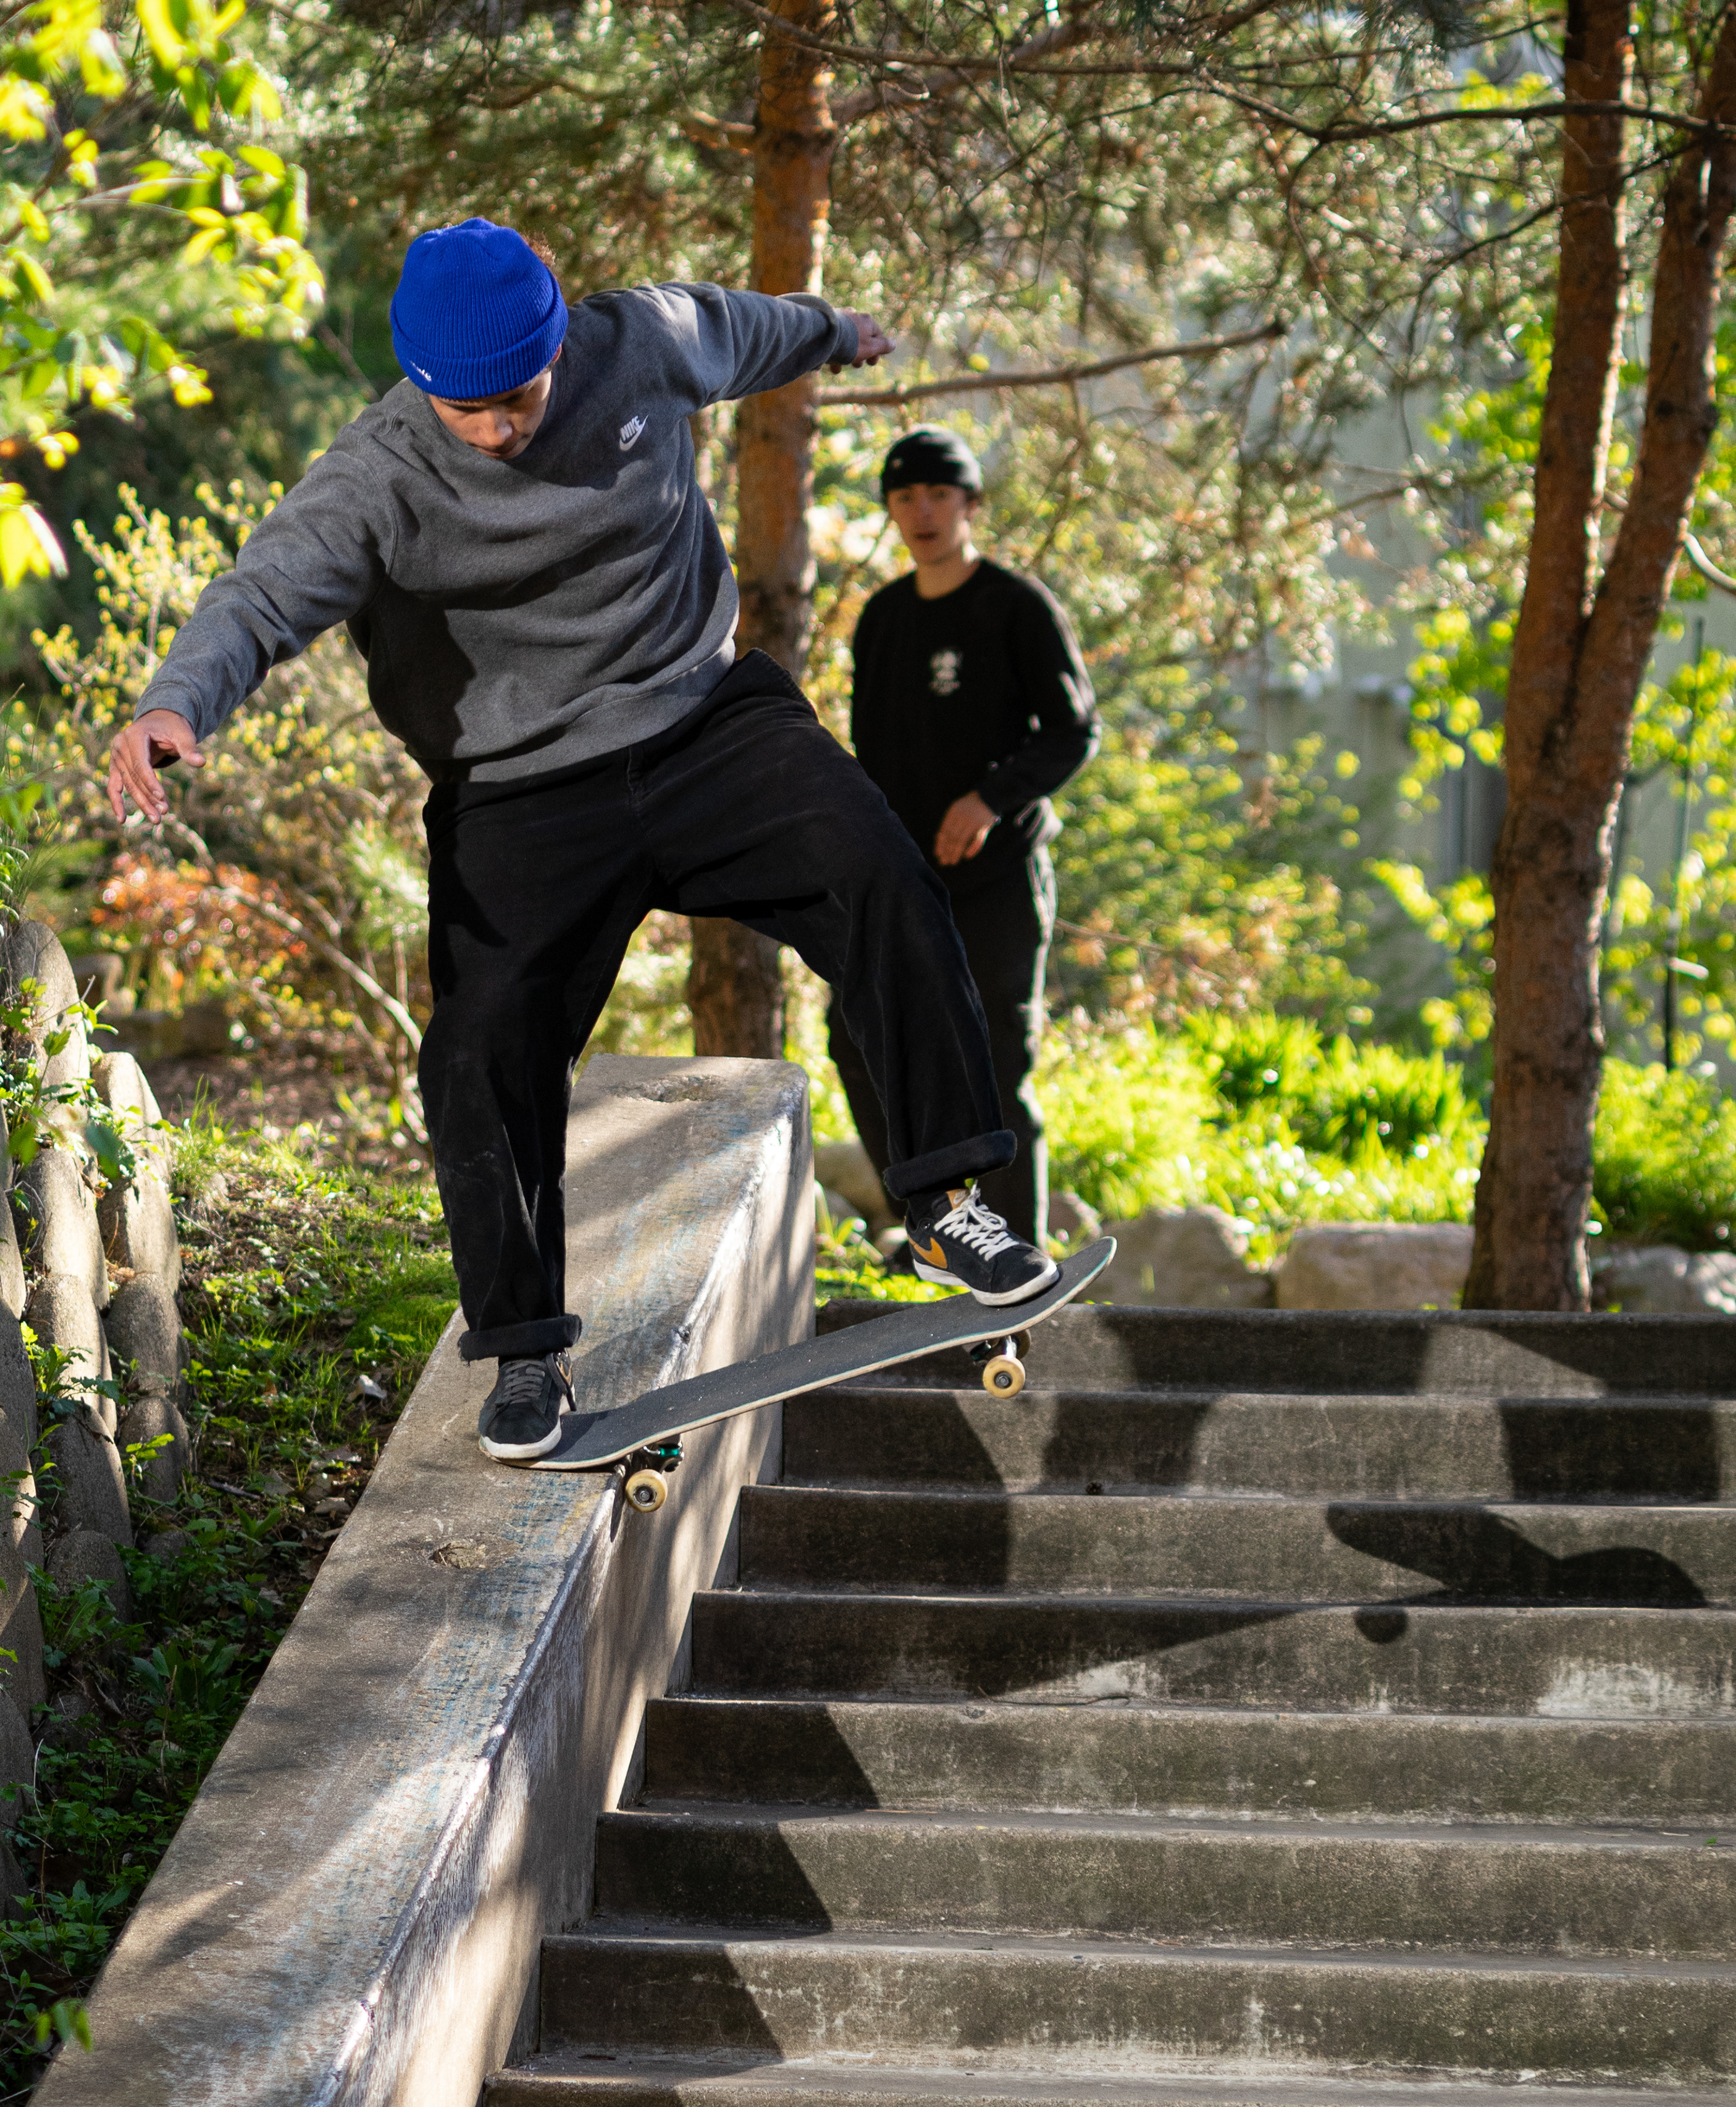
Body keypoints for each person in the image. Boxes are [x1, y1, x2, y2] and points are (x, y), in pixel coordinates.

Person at [106, 222, 1057, 1464]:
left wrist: (837, 331)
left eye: (519, 399)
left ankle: (940, 1200)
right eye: (470, 414)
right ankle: (525, 1354)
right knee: (482, 1042)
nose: (501, 430)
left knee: (877, 866)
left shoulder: (639, 340)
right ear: (422, 389)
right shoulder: (379, 470)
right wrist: (181, 699)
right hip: (519, 790)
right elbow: (266, 590)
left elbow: (753, 328)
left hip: (702, 719)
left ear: (560, 341)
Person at [833, 426, 1099, 1247]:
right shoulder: (881, 619)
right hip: (903, 887)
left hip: (997, 887)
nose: (922, 512)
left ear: (971, 505)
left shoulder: (1015, 608)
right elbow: (870, 754)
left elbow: (1072, 728)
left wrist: (988, 800)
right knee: (860, 1044)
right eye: (905, 497)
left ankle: (1017, 1270)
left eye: (939, 495)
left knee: (995, 1078)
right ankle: (940, 1236)